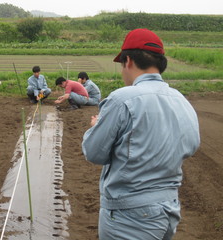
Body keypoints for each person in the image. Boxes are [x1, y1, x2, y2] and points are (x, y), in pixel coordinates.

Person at [82, 28, 200, 240]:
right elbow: (191, 145)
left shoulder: (123, 99)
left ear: (128, 61)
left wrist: (94, 128)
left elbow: (94, 153)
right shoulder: (180, 99)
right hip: (168, 208)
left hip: (130, 214)